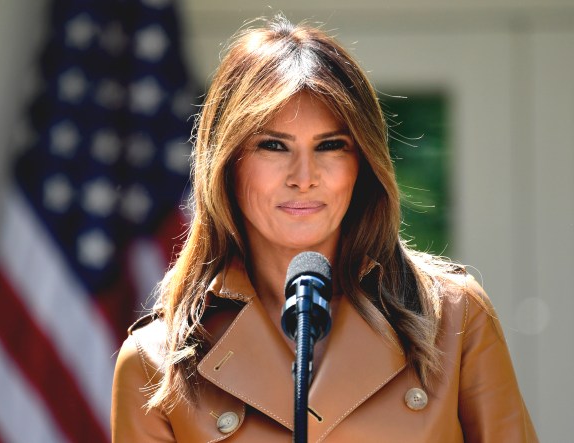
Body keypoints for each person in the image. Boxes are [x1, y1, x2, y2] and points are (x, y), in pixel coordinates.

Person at [111, 15, 537, 442]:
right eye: (273, 145)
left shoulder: (455, 316)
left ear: (362, 165)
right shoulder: (155, 361)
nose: (304, 176)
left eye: (331, 146)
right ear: (227, 164)